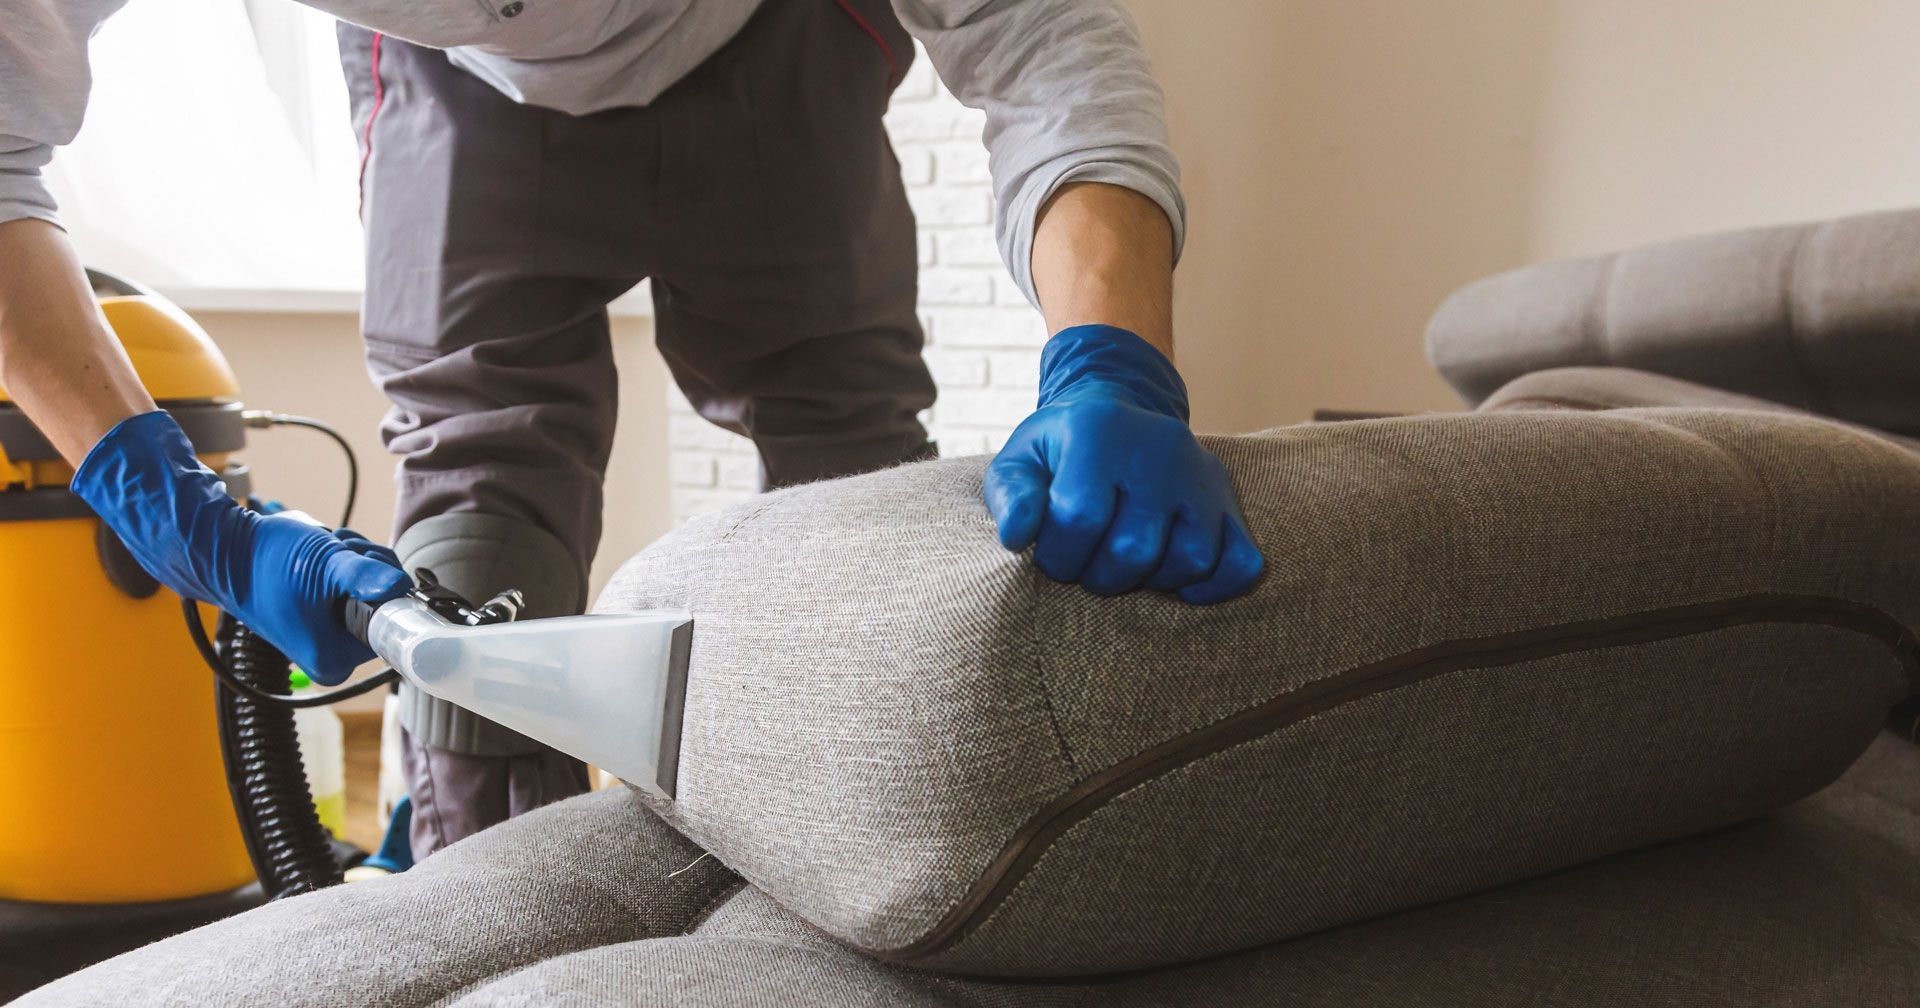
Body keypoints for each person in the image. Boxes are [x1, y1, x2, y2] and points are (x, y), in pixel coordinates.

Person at [0, 0, 1264, 858]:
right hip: (455, 83)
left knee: (850, 477)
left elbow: (1039, 37)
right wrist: (179, 514)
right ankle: (490, 933)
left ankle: (878, 871)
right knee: (472, 556)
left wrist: (1108, 355)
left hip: (777, 36)